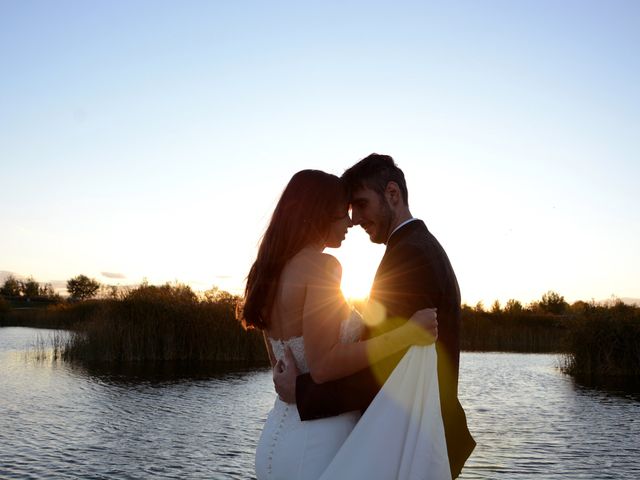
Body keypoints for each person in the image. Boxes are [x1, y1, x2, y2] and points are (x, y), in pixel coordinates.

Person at [274, 154, 476, 478]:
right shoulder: (416, 248)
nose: (354, 219)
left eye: (361, 204)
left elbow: (385, 368)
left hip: (410, 444)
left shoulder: (409, 256)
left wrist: (301, 393)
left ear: (392, 194)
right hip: (409, 435)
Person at [238, 169, 441, 480]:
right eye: (343, 213)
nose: (351, 222)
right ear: (318, 214)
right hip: (318, 444)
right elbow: (323, 365)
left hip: (275, 439)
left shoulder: (268, 272)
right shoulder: (323, 267)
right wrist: (406, 335)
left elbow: (282, 363)